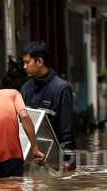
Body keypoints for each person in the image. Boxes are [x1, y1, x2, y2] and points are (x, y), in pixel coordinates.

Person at [20, 41, 76, 171]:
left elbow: (67, 126)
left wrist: (68, 160)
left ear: (39, 62)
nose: (24, 66)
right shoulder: (26, 88)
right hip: (31, 157)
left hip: (55, 160)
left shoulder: (61, 88)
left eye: (27, 62)